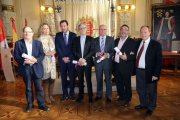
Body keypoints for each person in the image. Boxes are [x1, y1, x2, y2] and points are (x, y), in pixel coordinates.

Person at [14, 26, 49, 112]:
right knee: (28, 88)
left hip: (36, 68)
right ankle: (30, 104)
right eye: (25, 32)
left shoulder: (38, 43)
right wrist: (24, 61)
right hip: (26, 69)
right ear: (23, 33)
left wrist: (35, 60)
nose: (27, 33)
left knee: (39, 88)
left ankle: (42, 105)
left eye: (29, 32)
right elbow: (16, 56)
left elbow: (42, 54)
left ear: (32, 34)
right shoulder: (18, 43)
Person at [135, 25, 162, 116]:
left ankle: (151, 107)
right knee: (140, 89)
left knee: (151, 91)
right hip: (139, 71)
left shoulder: (156, 44)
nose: (143, 34)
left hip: (150, 72)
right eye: (141, 32)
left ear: (150, 32)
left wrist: (156, 74)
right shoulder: (138, 42)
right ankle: (143, 104)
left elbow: (159, 61)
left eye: (145, 32)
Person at [114, 24, 136, 106]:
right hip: (116, 65)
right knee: (118, 82)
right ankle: (121, 96)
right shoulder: (116, 40)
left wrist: (127, 57)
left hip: (126, 66)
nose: (123, 31)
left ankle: (128, 99)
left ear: (128, 31)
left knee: (127, 83)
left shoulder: (132, 41)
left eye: (125, 29)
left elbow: (134, 54)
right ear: (120, 31)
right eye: (122, 29)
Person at [55, 20, 76, 101]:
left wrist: (69, 58)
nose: (63, 27)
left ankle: (72, 94)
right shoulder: (58, 35)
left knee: (72, 77)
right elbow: (57, 47)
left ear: (67, 26)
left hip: (71, 60)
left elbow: (74, 48)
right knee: (63, 78)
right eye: (61, 26)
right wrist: (63, 57)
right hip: (62, 60)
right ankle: (65, 94)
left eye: (64, 26)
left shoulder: (73, 35)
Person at [72, 23, 94, 103]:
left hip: (87, 62)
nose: (82, 30)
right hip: (79, 62)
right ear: (78, 30)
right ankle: (80, 96)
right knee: (80, 80)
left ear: (86, 29)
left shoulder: (91, 39)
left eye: (83, 28)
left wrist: (84, 59)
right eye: (80, 28)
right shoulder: (75, 39)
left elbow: (92, 51)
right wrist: (80, 59)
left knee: (88, 80)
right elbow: (74, 50)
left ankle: (90, 96)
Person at [94, 24, 114, 102]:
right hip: (98, 62)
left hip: (107, 63)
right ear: (99, 30)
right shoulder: (94, 40)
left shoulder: (111, 39)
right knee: (99, 79)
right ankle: (99, 94)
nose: (102, 31)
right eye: (101, 29)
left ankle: (109, 95)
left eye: (104, 29)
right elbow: (92, 51)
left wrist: (108, 55)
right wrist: (96, 53)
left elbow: (113, 51)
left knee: (108, 79)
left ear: (106, 30)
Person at [38, 23, 56, 104]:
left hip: (52, 61)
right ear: (41, 30)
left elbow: (54, 49)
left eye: (47, 28)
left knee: (52, 79)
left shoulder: (51, 38)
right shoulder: (39, 39)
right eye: (44, 28)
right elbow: (39, 52)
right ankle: (46, 97)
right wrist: (46, 53)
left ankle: (51, 95)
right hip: (44, 61)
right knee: (46, 80)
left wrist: (54, 52)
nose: (46, 30)